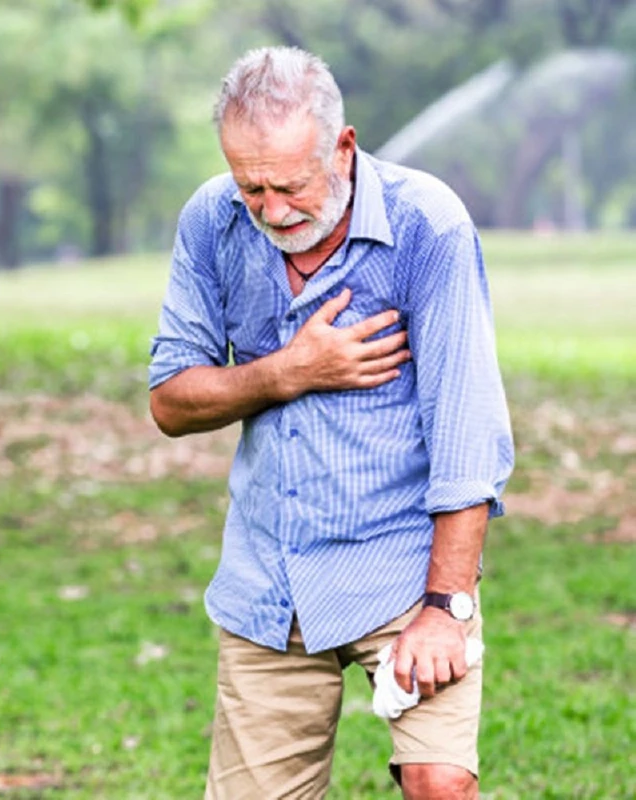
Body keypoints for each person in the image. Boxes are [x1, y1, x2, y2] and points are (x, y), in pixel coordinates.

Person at [148, 47, 514, 800]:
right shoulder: (212, 222)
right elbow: (171, 400)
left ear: (343, 148)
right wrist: (290, 371)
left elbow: (467, 434)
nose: (273, 209)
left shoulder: (428, 227)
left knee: (440, 781)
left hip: (405, 570)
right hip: (270, 579)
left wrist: (448, 608)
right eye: (252, 187)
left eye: (290, 184)